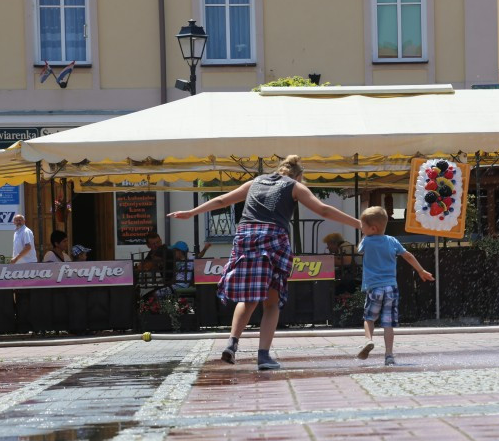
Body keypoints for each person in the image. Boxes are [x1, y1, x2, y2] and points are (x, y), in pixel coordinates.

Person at [168, 154, 361, 370]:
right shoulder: (295, 186)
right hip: (272, 238)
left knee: (248, 297)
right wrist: (358, 223)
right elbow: (323, 210)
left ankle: (232, 343)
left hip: (245, 236)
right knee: (271, 302)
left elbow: (222, 201)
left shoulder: (255, 182)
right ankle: (263, 356)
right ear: (299, 175)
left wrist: (192, 212)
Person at [355, 206, 434, 366]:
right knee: (388, 323)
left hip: (374, 287)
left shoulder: (367, 241)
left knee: (369, 318)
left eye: (363, 226)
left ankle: (368, 340)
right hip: (391, 288)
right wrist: (421, 270)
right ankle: (389, 355)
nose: (361, 229)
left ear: (373, 228)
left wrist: (363, 236)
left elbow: (359, 251)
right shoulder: (392, 241)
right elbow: (408, 255)